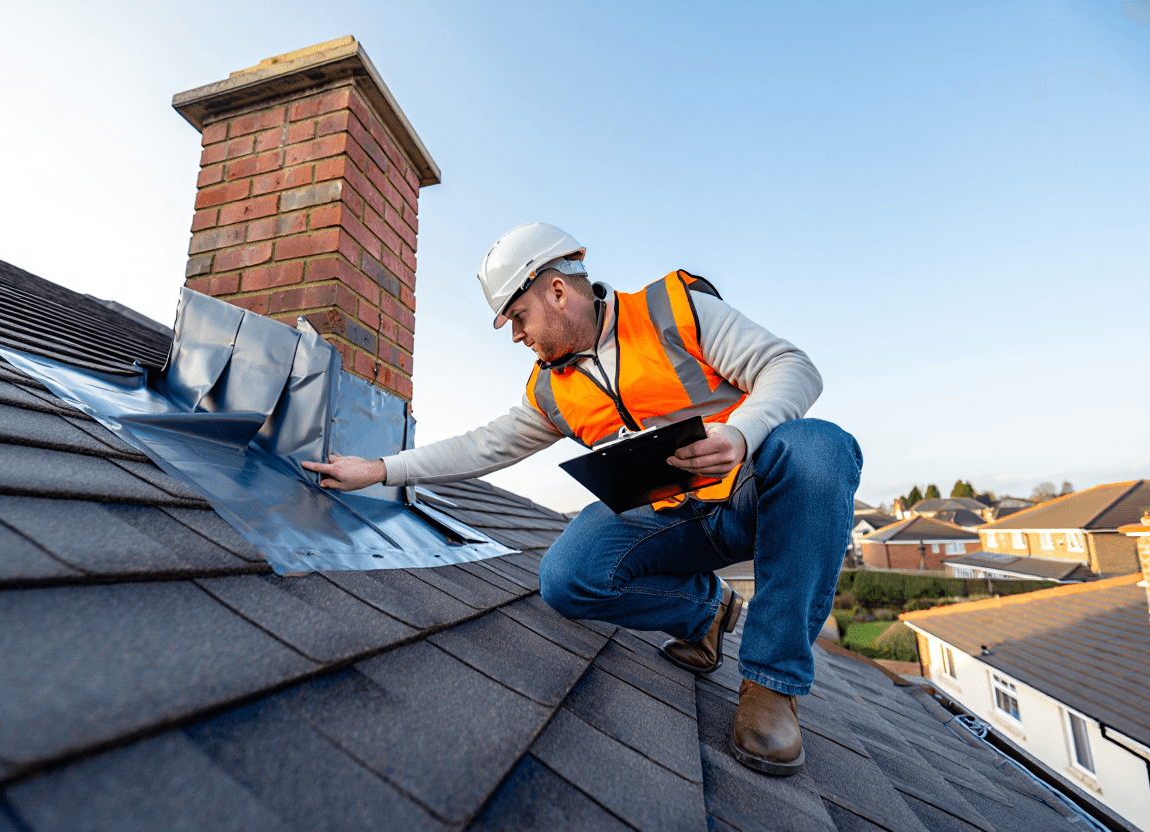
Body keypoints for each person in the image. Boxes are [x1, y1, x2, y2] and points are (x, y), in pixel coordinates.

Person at [304, 223, 861, 777]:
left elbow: (792, 367)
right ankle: (706, 612)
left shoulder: (675, 310)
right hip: (671, 522)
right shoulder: (550, 387)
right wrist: (379, 469)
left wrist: (741, 434)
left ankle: (770, 684)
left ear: (556, 290)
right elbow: (481, 447)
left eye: (518, 318)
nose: (517, 336)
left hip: (750, 501)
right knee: (566, 577)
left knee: (819, 450)